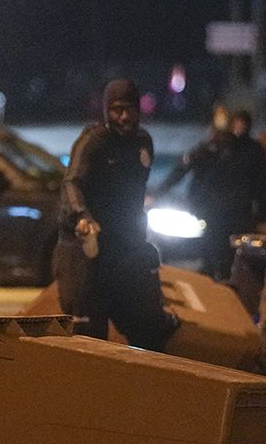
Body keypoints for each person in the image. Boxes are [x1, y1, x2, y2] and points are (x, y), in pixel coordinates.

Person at [56, 78, 177, 349]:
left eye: (128, 110)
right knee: (89, 332)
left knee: (149, 327)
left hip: (124, 248)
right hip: (89, 248)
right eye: (115, 111)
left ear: (138, 110)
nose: (123, 117)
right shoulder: (94, 141)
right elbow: (72, 182)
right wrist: (82, 215)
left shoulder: (143, 143)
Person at [152, 108, 266, 280]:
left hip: (234, 214)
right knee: (215, 255)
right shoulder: (212, 147)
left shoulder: (250, 151)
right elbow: (183, 168)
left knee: (227, 258)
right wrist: (158, 193)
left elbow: (263, 184)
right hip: (214, 213)